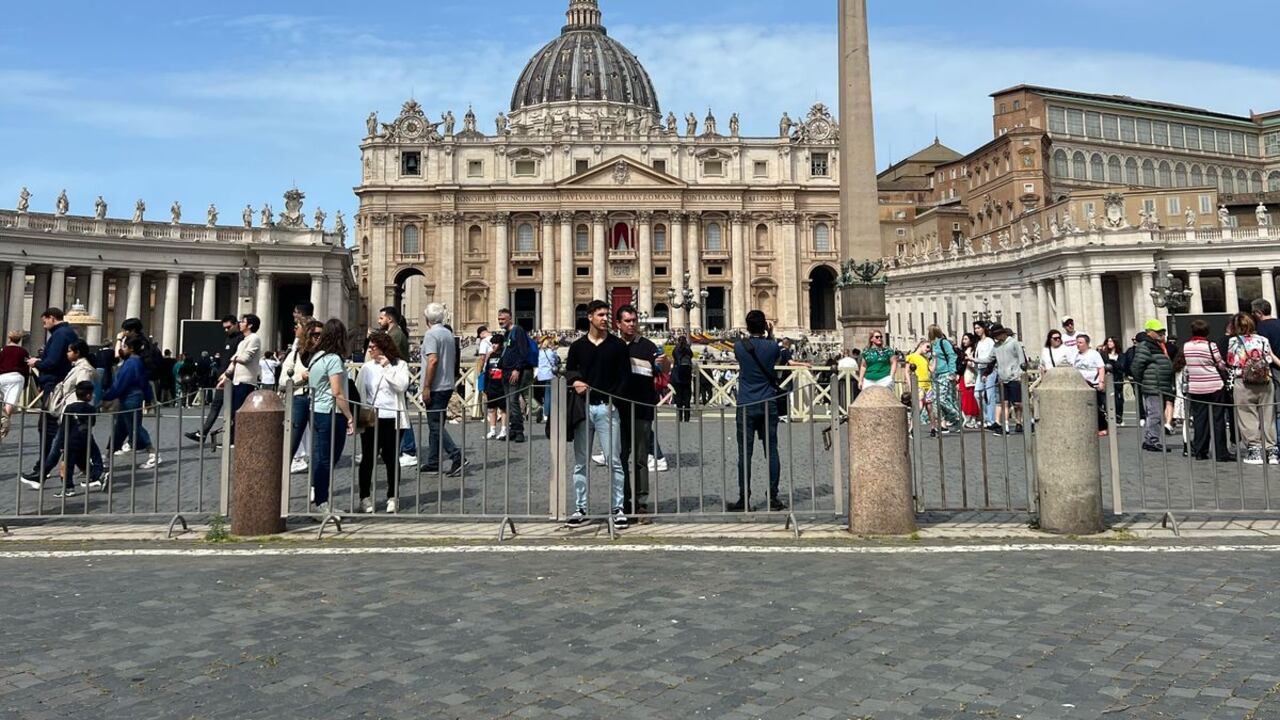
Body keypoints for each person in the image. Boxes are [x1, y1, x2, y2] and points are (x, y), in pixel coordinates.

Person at [564, 300, 630, 528]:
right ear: (590, 316)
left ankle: (618, 508)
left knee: (614, 461)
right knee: (580, 462)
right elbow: (569, 370)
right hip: (583, 408)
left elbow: (625, 377)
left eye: (606, 315)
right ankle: (580, 507)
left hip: (607, 408)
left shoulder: (618, 346)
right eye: (601, 314)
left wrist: (613, 400)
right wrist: (576, 381)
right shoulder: (577, 346)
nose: (605, 318)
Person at [21, 340, 100, 487]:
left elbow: (83, 391)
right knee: (81, 449)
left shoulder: (84, 370)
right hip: (71, 415)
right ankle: (96, 474)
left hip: (73, 416)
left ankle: (42, 476)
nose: (67, 353)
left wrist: (76, 412)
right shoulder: (77, 367)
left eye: (70, 351)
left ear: (77, 353)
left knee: (58, 447)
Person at [732, 309, 786, 513]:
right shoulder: (773, 346)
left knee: (744, 454)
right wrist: (770, 334)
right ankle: (773, 497)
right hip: (768, 403)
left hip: (745, 403)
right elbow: (775, 354)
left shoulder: (739, 347)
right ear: (764, 325)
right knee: (771, 450)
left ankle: (743, 499)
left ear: (747, 326)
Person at [355, 331, 412, 513]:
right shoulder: (366, 368)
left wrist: (388, 367)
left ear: (383, 347)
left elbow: (402, 386)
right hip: (371, 417)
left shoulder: (400, 365)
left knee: (391, 458)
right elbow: (359, 391)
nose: (369, 350)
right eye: (369, 347)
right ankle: (364, 497)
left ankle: (392, 496)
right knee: (368, 459)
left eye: (372, 347)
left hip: (392, 417)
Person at [616, 305, 661, 516]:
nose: (632, 324)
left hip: (642, 408)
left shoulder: (649, 346)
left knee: (641, 458)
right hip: (617, 410)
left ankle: (641, 501)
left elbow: (663, 370)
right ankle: (623, 500)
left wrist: (666, 363)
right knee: (621, 457)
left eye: (634, 320)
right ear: (618, 324)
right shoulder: (612, 346)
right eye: (628, 320)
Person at [308, 319, 356, 515]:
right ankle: (322, 503)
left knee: (320, 458)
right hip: (331, 413)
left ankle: (320, 501)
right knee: (328, 459)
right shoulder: (334, 360)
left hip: (316, 411)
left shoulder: (317, 357)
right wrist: (350, 416)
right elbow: (337, 392)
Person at [26, 308, 78, 477]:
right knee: (56, 429)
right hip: (58, 384)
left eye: (44, 321)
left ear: (52, 318)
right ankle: (42, 466)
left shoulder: (60, 335)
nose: (44, 325)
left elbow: (53, 361)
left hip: (55, 386)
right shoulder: (67, 333)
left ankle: (43, 468)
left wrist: (37, 363)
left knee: (49, 428)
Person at [419, 303, 468, 477]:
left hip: (436, 386)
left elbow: (432, 361)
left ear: (427, 319)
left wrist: (426, 386)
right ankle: (433, 461)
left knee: (435, 425)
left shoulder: (431, 335)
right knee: (436, 425)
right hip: (447, 384)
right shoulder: (448, 333)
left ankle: (456, 456)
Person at [1226, 312, 1278, 465]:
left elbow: (1231, 360)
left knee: (1247, 415)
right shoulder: (1263, 340)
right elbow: (1268, 358)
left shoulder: (1234, 341)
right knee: (1268, 416)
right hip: (1265, 381)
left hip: (1244, 381)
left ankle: (1254, 450)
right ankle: (1272, 451)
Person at [102, 336, 160, 468]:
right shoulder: (137, 362)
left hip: (130, 398)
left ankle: (152, 452)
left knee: (134, 427)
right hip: (132, 397)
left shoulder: (131, 363)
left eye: (124, 346)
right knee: (121, 428)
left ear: (131, 348)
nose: (122, 349)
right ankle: (108, 455)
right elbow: (144, 382)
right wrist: (148, 397)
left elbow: (121, 384)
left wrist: (107, 396)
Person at [1181, 320, 1233, 462]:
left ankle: (1200, 451)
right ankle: (1221, 453)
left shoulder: (1186, 346)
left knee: (1200, 420)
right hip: (1214, 385)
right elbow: (1220, 364)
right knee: (1218, 419)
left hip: (1196, 387)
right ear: (1207, 332)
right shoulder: (1211, 345)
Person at [187, 316, 242, 445]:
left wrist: (226, 374)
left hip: (232, 378)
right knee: (216, 406)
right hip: (223, 377)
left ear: (236, 324)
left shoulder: (241, 339)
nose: (226, 330)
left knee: (232, 409)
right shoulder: (229, 338)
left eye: (228, 327)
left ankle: (230, 437)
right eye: (224, 328)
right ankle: (203, 433)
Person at [377, 306, 417, 466]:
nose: (379, 321)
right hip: (391, 377)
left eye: (381, 318)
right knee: (390, 415)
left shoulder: (395, 335)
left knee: (401, 414)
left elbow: (388, 354)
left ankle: (409, 449)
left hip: (396, 377)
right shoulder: (392, 334)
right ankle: (386, 448)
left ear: (390, 319)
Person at [282, 319, 322, 475]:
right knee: (292, 441)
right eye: (315, 334)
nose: (318, 337)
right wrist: (302, 376)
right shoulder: (294, 354)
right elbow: (283, 380)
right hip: (299, 398)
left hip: (319, 400)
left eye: (321, 334)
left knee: (318, 445)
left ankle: (315, 485)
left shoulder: (326, 354)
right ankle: (281, 481)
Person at [53, 382, 106, 498]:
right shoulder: (91, 409)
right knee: (89, 459)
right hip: (86, 438)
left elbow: (64, 427)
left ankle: (68, 487)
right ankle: (97, 475)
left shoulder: (70, 408)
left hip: (71, 441)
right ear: (88, 396)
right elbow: (92, 423)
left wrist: (62, 444)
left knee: (66, 465)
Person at [216, 314, 262, 446]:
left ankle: (239, 439)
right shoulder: (242, 341)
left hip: (246, 380)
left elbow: (245, 358)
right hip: (237, 380)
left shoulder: (254, 339)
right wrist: (225, 376)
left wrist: (234, 359)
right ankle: (232, 439)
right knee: (233, 411)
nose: (240, 323)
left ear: (250, 325)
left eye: (243, 321)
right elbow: (235, 361)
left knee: (240, 412)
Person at [1130, 319, 1175, 453]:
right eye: (1158, 331)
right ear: (1149, 332)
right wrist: (1143, 380)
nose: (1162, 333)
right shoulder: (1146, 346)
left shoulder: (1158, 345)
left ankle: (1151, 439)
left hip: (1160, 384)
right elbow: (1137, 365)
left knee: (1157, 413)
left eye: (1162, 331)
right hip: (1153, 384)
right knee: (1154, 414)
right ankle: (1152, 441)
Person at [497, 308, 532, 443]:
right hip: (505, 372)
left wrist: (517, 369)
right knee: (508, 402)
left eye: (503, 319)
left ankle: (519, 431)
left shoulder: (518, 331)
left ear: (510, 318)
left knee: (513, 401)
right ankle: (512, 429)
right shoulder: (507, 333)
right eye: (499, 319)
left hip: (514, 372)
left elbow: (524, 352)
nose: (500, 322)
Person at [990, 324, 1025, 433]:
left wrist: (1021, 373)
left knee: (1017, 403)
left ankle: (1020, 421)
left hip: (1014, 377)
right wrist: (974, 359)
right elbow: (989, 358)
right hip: (1002, 378)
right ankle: (1006, 426)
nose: (995, 338)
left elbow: (1021, 359)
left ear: (1002, 333)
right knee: (1004, 402)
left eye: (996, 335)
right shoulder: (996, 346)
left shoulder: (1014, 343)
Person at [1072, 335, 1108, 436]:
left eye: (1080, 342)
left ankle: (1103, 427)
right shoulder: (1076, 355)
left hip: (1093, 384)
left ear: (1087, 344)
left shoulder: (1094, 354)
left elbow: (1101, 368)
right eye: (1077, 342)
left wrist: (1101, 382)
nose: (1078, 345)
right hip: (1080, 385)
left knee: (1096, 407)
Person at [928, 326, 962, 433]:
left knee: (942, 399)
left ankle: (956, 415)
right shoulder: (932, 345)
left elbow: (952, 356)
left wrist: (952, 372)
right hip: (935, 375)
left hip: (945, 372)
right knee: (935, 400)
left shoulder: (943, 342)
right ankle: (943, 423)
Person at [0, 330, 29, 440]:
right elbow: (26, 368)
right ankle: (3, 424)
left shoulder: (3, 350)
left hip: (2, 376)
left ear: (9, 338)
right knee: (9, 404)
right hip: (16, 377)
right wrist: (26, 383)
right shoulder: (23, 352)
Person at [972, 322, 998, 429]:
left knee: (990, 394)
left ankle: (991, 420)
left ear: (984, 329)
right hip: (980, 369)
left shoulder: (989, 341)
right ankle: (986, 416)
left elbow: (992, 357)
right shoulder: (978, 342)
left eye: (978, 328)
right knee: (977, 394)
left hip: (990, 369)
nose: (977, 330)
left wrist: (987, 371)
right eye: (975, 329)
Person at [534, 336, 559, 424]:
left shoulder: (538, 353)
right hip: (549, 375)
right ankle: (546, 414)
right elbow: (556, 361)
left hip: (540, 376)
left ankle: (541, 409)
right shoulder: (551, 352)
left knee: (542, 395)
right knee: (548, 395)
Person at [1100, 337, 1125, 426]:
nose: (1109, 343)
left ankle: (1119, 417)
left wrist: (1113, 363)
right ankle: (1110, 417)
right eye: (1108, 341)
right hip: (1107, 379)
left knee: (1118, 399)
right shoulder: (1103, 354)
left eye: (1111, 341)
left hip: (1117, 379)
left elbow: (1122, 366)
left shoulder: (1121, 355)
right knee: (1106, 399)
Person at [958, 334, 981, 429]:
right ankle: (966, 417)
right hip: (963, 375)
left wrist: (968, 360)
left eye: (966, 339)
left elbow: (975, 363)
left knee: (970, 398)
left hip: (970, 376)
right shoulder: (963, 350)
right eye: (963, 339)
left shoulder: (973, 350)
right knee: (963, 397)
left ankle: (972, 418)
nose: (964, 341)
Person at [672, 335, 695, 422]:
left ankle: (679, 417)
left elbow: (675, 358)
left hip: (678, 377)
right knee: (687, 398)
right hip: (687, 377)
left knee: (678, 398)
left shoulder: (676, 349)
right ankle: (687, 418)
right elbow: (691, 356)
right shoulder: (688, 349)